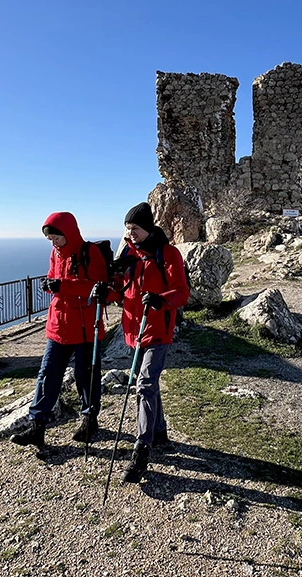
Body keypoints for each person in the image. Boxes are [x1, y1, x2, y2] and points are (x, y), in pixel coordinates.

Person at [94, 202, 189, 483]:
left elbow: (182, 293)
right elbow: (121, 293)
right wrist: (105, 292)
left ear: (147, 228)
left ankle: (142, 448)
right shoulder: (129, 256)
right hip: (133, 331)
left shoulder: (168, 254)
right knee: (148, 385)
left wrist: (161, 300)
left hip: (158, 330)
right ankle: (159, 434)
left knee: (144, 385)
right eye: (127, 228)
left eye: (134, 228)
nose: (130, 233)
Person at [11, 211, 109, 448]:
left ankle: (89, 419)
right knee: (47, 375)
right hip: (58, 326)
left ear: (69, 232)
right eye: (50, 239)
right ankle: (37, 425)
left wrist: (61, 285)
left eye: (57, 237)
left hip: (85, 326)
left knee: (85, 376)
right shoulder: (55, 253)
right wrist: (49, 284)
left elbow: (98, 286)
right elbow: (54, 279)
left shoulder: (90, 252)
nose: (54, 242)